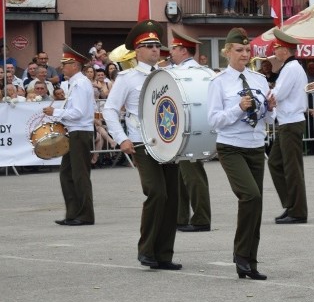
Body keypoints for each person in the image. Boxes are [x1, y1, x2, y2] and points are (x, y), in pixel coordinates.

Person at [103, 20, 182, 270]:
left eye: (157, 45)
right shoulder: (127, 78)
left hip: (169, 143)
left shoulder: (169, 75)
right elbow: (110, 109)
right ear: (136, 51)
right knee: (156, 192)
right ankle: (146, 250)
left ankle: (164, 255)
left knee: (172, 199)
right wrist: (121, 137)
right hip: (142, 142)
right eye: (148, 46)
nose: (154, 50)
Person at [207, 28, 274, 280]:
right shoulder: (219, 82)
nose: (245, 54)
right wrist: (237, 108)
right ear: (227, 52)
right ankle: (240, 255)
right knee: (250, 196)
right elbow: (214, 121)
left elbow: (266, 117)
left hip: (255, 145)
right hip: (231, 146)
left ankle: (249, 260)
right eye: (239, 50)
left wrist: (270, 108)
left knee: (255, 204)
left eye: (247, 50)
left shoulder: (258, 80)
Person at [45, 45, 96, 226]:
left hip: (80, 132)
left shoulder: (81, 83)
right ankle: (73, 213)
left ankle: (84, 215)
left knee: (79, 175)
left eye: (65, 64)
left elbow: (79, 113)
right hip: (74, 132)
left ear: (75, 65)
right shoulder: (76, 83)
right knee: (67, 174)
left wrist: (55, 113)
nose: (62, 67)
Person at [170, 30, 213, 232]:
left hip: (188, 133)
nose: (171, 52)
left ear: (182, 50)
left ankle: (201, 219)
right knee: (182, 176)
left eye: (174, 48)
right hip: (194, 131)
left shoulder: (183, 73)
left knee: (193, 176)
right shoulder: (200, 72)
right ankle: (180, 217)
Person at [268, 29, 310, 225]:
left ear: (285, 50)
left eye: (277, 48)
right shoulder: (290, 67)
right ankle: (290, 204)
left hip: (291, 122)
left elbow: (278, 94)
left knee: (292, 168)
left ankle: (298, 210)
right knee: (275, 162)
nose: (274, 51)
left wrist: (268, 92)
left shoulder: (290, 68)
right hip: (287, 121)